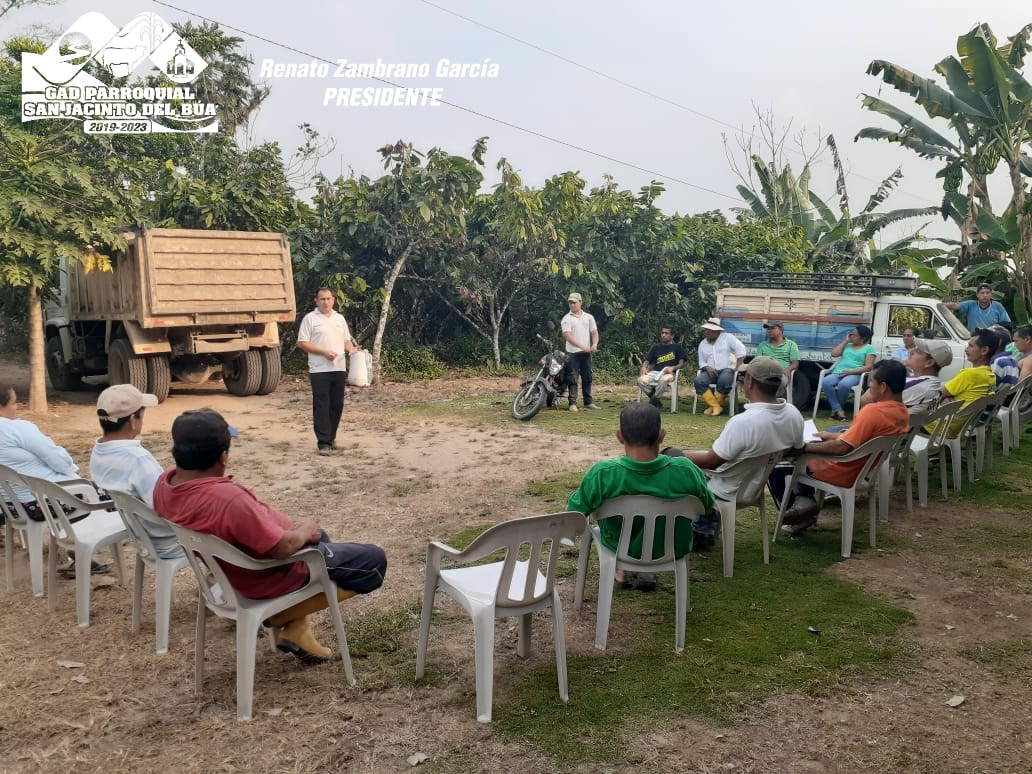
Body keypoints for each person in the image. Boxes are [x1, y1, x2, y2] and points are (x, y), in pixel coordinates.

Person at [153, 408, 387, 663]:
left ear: (174, 452)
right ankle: (277, 616)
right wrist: (302, 533)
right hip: (270, 574)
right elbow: (281, 547)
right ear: (223, 457)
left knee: (323, 537)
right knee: (373, 561)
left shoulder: (165, 485)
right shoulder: (227, 500)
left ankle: (297, 631)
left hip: (232, 572)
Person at [567, 403, 714, 591]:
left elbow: (574, 515)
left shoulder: (602, 475)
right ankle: (644, 569)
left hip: (619, 548)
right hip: (671, 548)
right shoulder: (686, 471)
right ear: (661, 435)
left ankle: (621, 570)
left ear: (619, 436)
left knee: (614, 527)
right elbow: (707, 507)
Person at [774, 360, 909, 534]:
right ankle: (804, 500)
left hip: (841, 470)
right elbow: (861, 441)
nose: (869, 386)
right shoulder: (902, 412)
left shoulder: (873, 411)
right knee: (811, 447)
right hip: (861, 470)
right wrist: (831, 436)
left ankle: (801, 510)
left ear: (883, 387)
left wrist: (804, 448)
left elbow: (842, 448)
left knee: (777, 466)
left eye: (871, 382)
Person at [682, 356, 803, 506]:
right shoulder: (793, 414)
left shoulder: (744, 422)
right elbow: (796, 450)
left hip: (722, 492)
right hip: (752, 491)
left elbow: (710, 462)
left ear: (750, 382)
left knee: (674, 468)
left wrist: (671, 454)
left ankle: (697, 520)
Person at [89, 384, 182, 559]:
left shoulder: (99, 450)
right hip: (168, 543)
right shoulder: (137, 459)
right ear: (133, 421)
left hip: (140, 536)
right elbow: (165, 506)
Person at [296, 288, 361, 456]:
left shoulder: (339, 318)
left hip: (338, 368)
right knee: (322, 405)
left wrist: (351, 349)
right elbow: (302, 343)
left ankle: (331, 439)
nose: (326, 302)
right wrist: (324, 353)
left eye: (328, 298)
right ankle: (323, 442)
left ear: (333, 300)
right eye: (322, 299)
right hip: (319, 369)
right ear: (316, 301)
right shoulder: (310, 319)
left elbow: (346, 340)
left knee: (336, 405)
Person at [0, 381, 80, 518]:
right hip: (42, 503)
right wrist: (72, 469)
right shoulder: (16, 428)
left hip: (8, 508)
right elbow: (59, 461)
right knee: (107, 493)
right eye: (14, 403)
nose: (17, 407)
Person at [929, 328, 997, 437]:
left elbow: (936, 395)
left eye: (970, 346)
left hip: (941, 427)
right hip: (960, 426)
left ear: (984, 350)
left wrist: (945, 399)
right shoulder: (990, 375)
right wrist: (947, 398)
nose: (966, 349)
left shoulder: (969, 374)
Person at [859, 338, 949, 414]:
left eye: (918, 351)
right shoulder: (935, 384)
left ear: (929, 363)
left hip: (885, 426)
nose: (910, 351)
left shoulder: (916, 386)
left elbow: (866, 399)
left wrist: (894, 372)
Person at [821, 325, 877, 422]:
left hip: (855, 374)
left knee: (844, 385)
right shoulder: (848, 345)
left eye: (854, 335)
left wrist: (850, 372)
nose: (851, 336)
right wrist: (845, 341)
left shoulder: (869, 348)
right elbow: (834, 354)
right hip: (839, 372)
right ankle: (839, 410)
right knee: (826, 382)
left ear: (862, 338)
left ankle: (835, 411)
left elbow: (868, 367)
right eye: (851, 334)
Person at [694, 317, 746, 416]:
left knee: (724, 379)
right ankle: (715, 406)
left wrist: (737, 368)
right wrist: (707, 367)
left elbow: (741, 350)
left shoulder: (727, 338)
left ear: (717, 331)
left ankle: (713, 407)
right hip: (710, 371)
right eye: (706, 329)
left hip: (727, 370)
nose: (707, 332)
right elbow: (701, 362)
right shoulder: (702, 344)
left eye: (710, 330)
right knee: (698, 381)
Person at [562, 292, 599, 412]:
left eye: (574, 302)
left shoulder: (589, 317)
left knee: (587, 376)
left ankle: (588, 402)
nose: (572, 305)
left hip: (585, 353)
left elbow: (594, 332)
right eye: (570, 303)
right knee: (572, 377)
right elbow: (568, 336)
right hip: (572, 353)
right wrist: (582, 346)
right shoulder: (567, 318)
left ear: (580, 302)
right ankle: (572, 403)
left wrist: (594, 344)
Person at [637, 325, 686, 409]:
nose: (663, 335)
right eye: (662, 333)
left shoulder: (678, 347)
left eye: (666, 333)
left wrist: (672, 368)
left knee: (663, 380)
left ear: (672, 336)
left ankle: (653, 401)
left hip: (670, 373)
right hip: (655, 372)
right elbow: (647, 361)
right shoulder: (656, 347)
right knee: (641, 380)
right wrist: (644, 368)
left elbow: (681, 364)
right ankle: (656, 400)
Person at [755, 320, 799, 397]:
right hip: (765, 373)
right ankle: (769, 399)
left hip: (781, 373)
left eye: (772, 328)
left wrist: (788, 369)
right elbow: (757, 362)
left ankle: (771, 399)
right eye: (768, 329)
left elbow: (795, 364)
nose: (769, 331)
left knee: (777, 382)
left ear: (780, 329)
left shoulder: (791, 344)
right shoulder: (762, 345)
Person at [946, 284, 1011, 331]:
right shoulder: (970, 304)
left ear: (991, 294)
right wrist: (940, 305)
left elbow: (1006, 323)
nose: (985, 295)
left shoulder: (998, 306)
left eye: (987, 293)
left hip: (992, 338)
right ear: (977, 295)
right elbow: (955, 306)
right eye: (982, 293)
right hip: (974, 339)